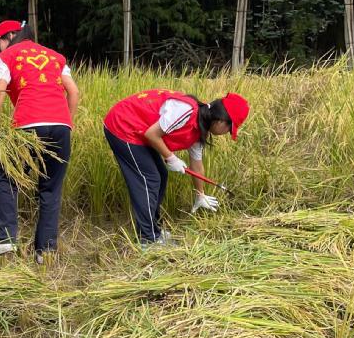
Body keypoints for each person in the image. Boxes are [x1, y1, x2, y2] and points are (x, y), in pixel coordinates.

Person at [0, 20, 80, 263]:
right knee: (50, 188)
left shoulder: (9, 56)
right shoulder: (55, 56)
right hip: (61, 127)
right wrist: (68, 123)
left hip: (28, 125)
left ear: (11, 35)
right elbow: (74, 91)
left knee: (7, 178)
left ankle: (6, 239)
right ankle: (45, 251)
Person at [103, 89, 249, 246]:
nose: (226, 133)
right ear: (221, 120)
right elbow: (152, 134)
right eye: (229, 129)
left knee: (161, 175)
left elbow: (196, 165)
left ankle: (153, 230)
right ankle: (147, 239)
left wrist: (200, 195)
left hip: (140, 131)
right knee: (149, 179)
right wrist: (171, 158)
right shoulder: (186, 111)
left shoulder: (200, 129)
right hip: (124, 125)